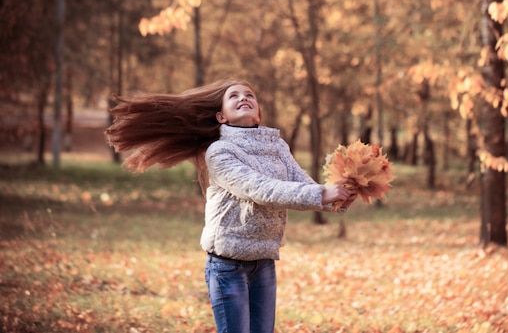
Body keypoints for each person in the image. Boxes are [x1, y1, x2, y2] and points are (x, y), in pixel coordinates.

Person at [105, 78, 356, 333]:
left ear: (258, 114)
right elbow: (259, 188)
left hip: (264, 260)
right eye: (233, 96)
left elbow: (301, 184)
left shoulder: (278, 147)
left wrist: (338, 198)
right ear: (221, 116)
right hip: (227, 265)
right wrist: (323, 194)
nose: (243, 98)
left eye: (249, 95)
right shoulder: (220, 151)